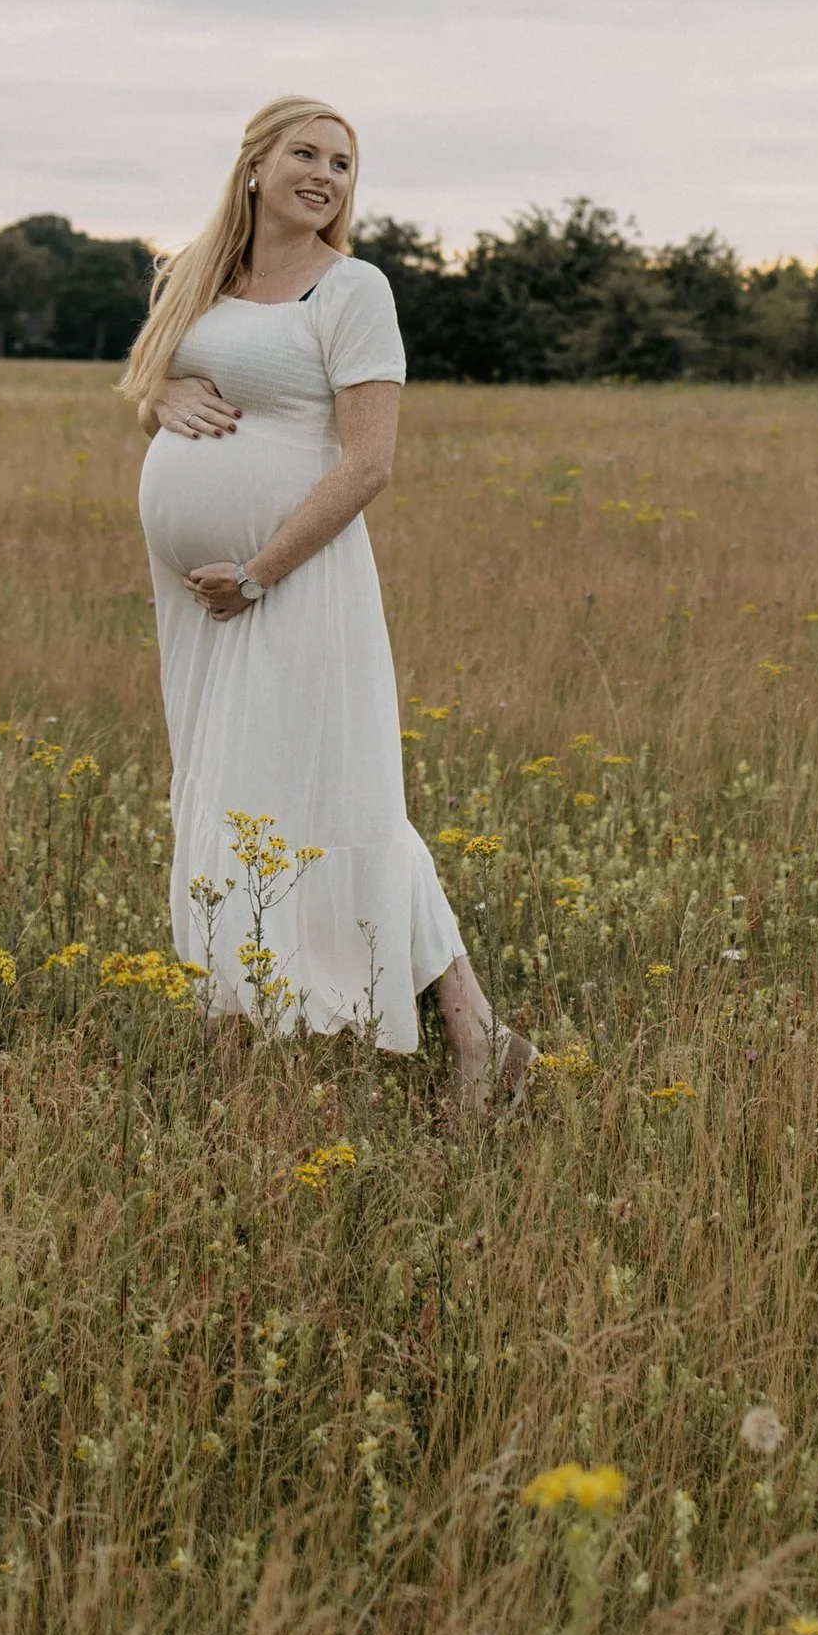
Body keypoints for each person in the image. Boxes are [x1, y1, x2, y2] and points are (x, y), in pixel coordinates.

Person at [121, 95, 533, 1115]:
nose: (325, 175)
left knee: (342, 803)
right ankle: (259, 1014)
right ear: (253, 166)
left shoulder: (353, 290)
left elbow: (370, 463)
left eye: (343, 164)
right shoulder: (196, 277)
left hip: (292, 585)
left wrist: (260, 569)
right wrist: (159, 399)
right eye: (304, 154)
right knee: (223, 796)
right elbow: (150, 385)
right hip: (197, 603)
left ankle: (475, 1039)